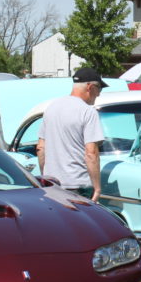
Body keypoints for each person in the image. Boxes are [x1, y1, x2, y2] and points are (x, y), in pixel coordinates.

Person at [36, 67, 107, 201]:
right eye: (99, 89)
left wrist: (45, 175)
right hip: (78, 185)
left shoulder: (51, 108)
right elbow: (91, 153)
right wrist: (97, 188)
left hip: (52, 185)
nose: (99, 94)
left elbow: (40, 148)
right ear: (90, 87)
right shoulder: (87, 112)